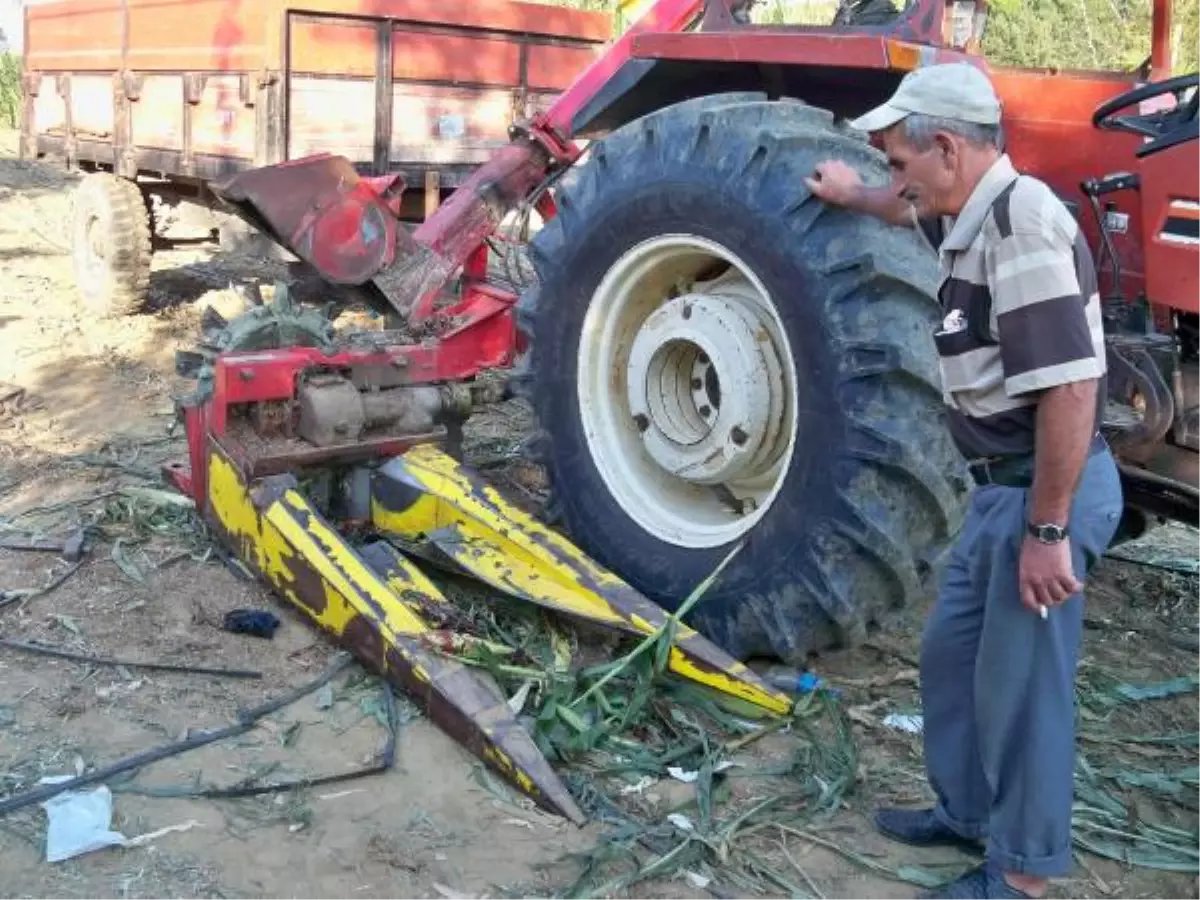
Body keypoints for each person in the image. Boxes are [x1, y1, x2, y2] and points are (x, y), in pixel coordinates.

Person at [805, 63, 1124, 899]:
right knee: (952, 659)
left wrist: (1047, 532)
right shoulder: (967, 213)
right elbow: (906, 207)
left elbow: (1071, 388)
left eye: (898, 161)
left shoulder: (1021, 227)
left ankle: (1021, 873)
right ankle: (970, 812)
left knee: (1022, 688)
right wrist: (852, 194)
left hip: (1042, 491)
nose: (894, 179)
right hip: (1000, 490)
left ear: (946, 145)